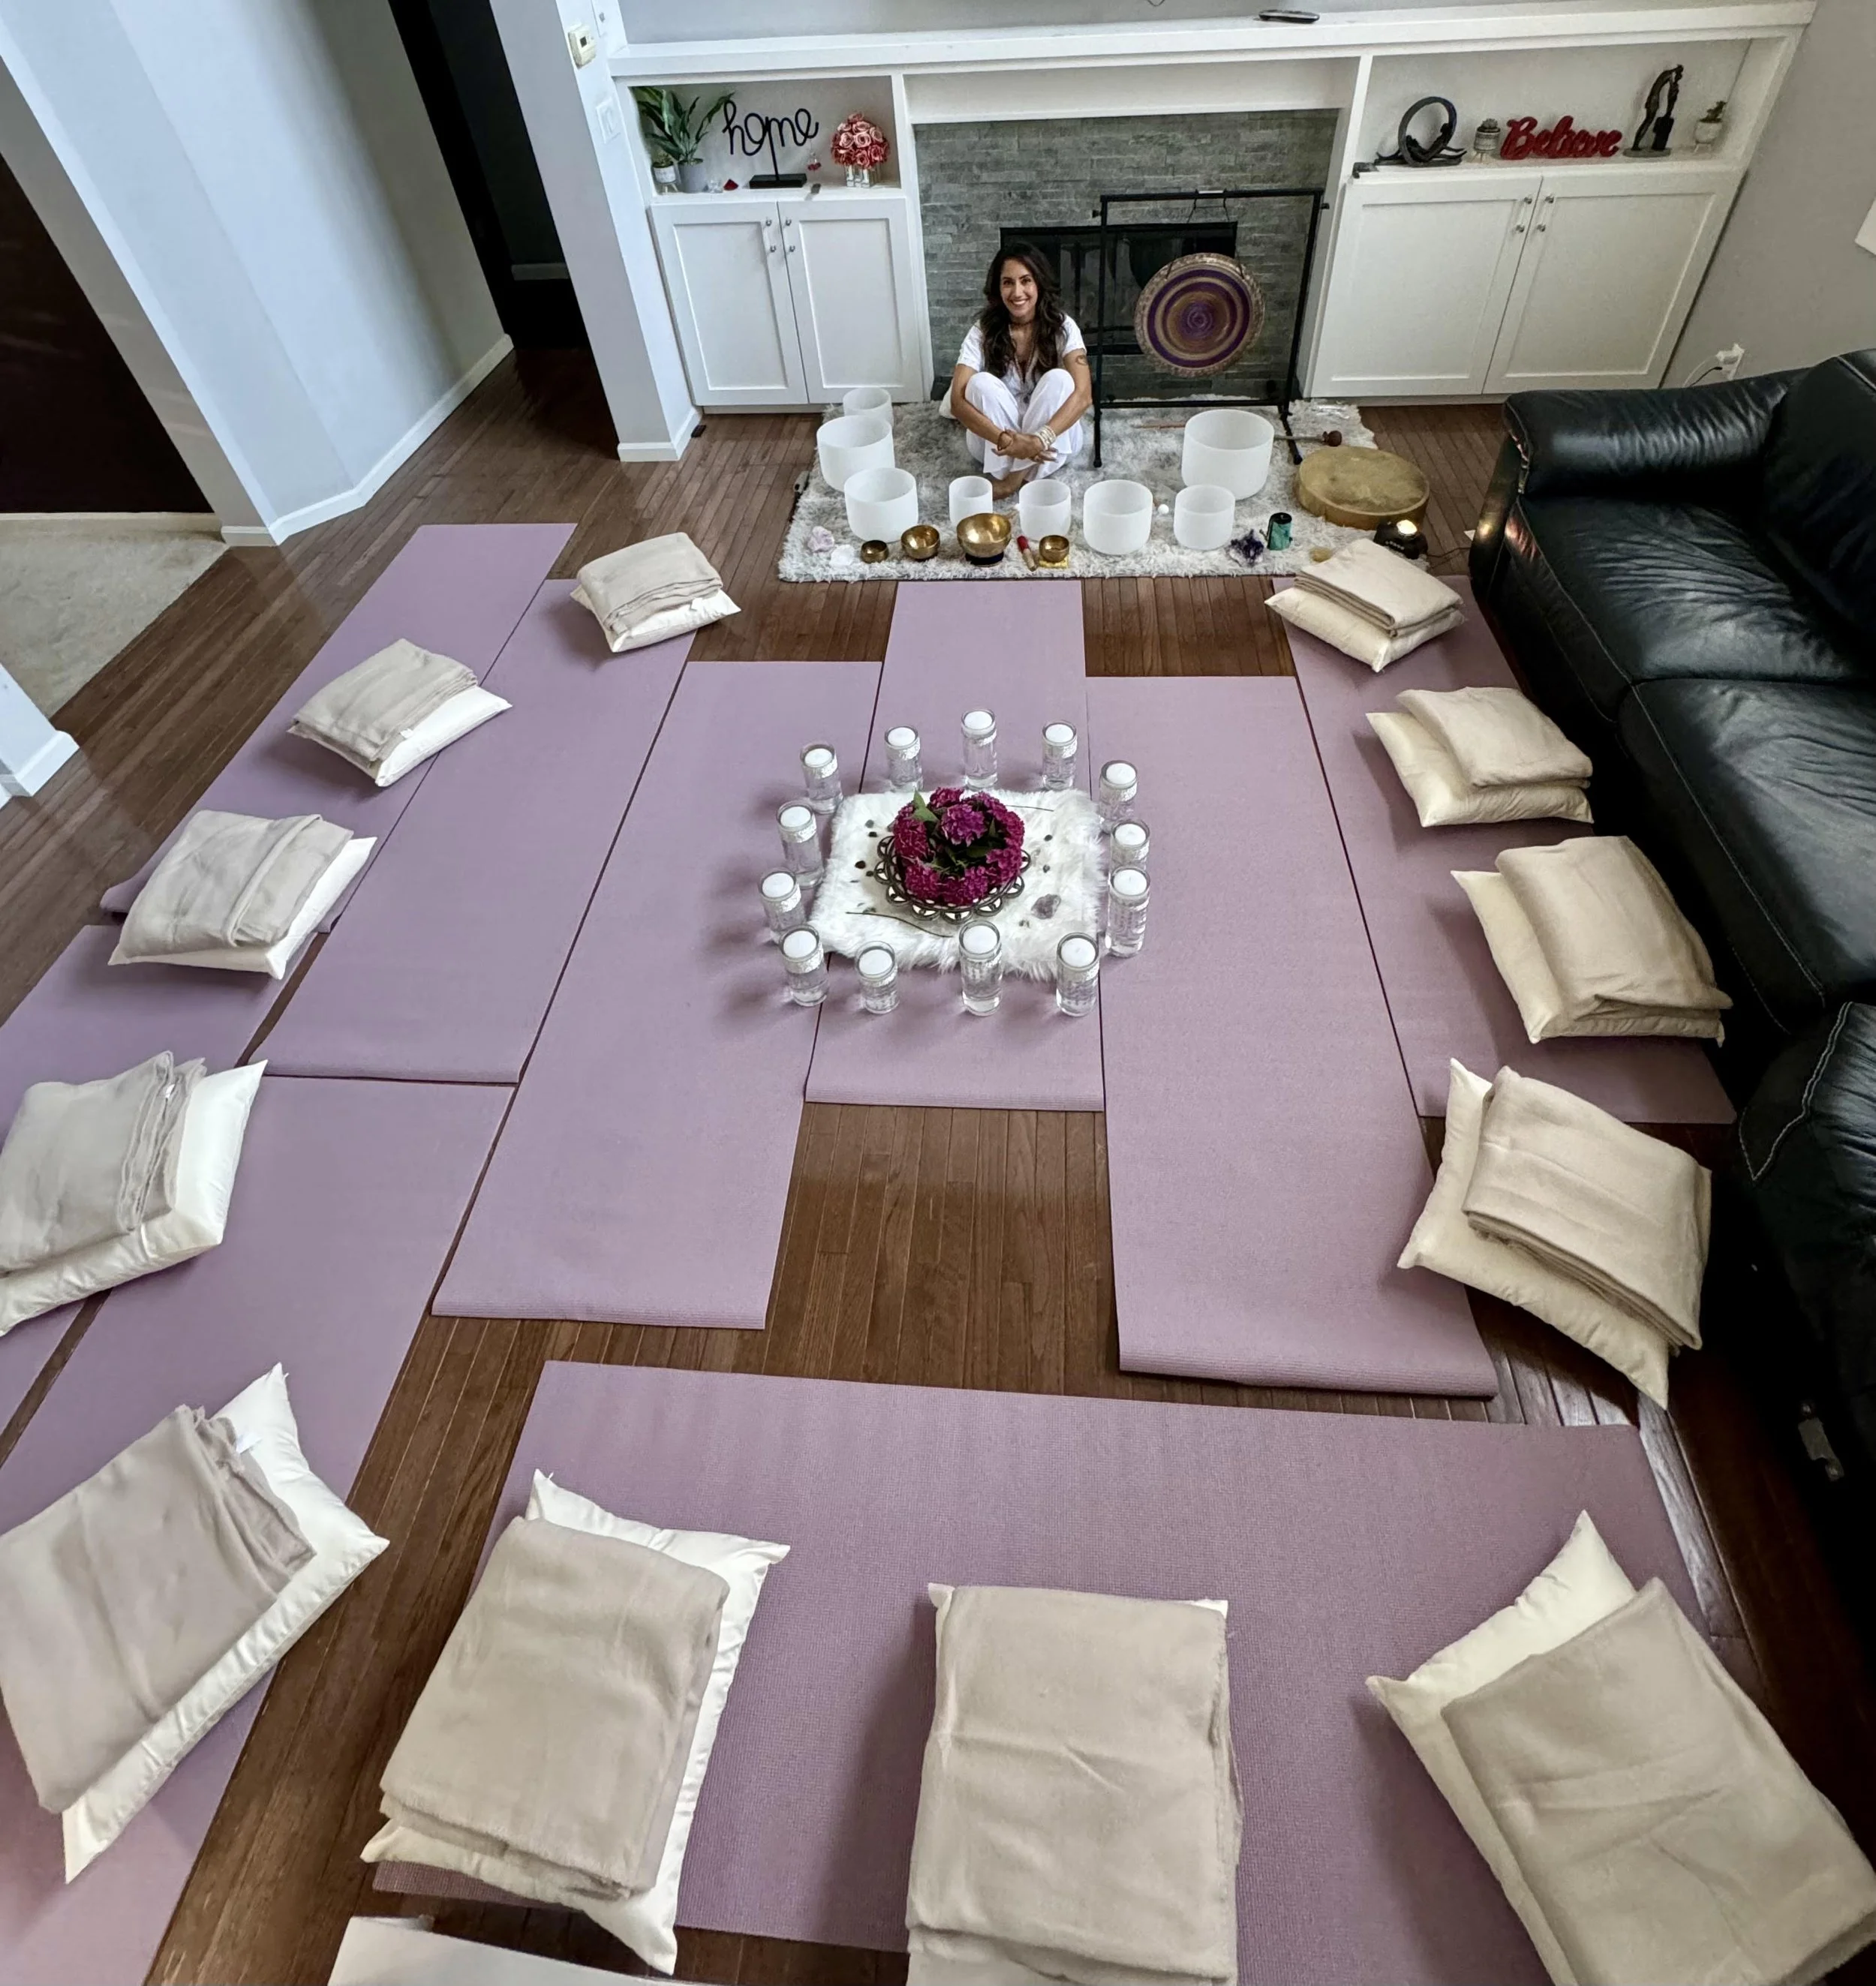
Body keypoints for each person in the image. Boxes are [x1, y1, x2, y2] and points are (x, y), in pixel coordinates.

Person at [952, 245, 1095, 500]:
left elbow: (1084, 395)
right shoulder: (982, 330)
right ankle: (1026, 470)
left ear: (1038, 283)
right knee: (979, 383)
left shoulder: (1064, 326)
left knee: (1060, 379)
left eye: (1026, 281)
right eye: (1008, 283)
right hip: (996, 444)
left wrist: (1039, 440)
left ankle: (1013, 480)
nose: (1017, 293)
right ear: (998, 288)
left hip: (1049, 442)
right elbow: (957, 403)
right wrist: (1007, 440)